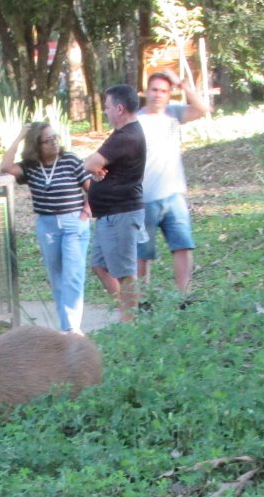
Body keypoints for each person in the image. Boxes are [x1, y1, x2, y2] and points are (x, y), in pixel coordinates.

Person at [1, 121, 91, 334]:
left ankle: (72, 328)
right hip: (47, 226)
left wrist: (85, 213)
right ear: (36, 145)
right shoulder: (31, 167)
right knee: (57, 277)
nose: (53, 143)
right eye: (47, 141)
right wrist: (19, 136)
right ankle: (66, 327)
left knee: (73, 275)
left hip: (73, 223)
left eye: (54, 138)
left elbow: (93, 189)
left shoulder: (70, 161)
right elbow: (5, 167)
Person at [137, 69, 209, 297]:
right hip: (144, 197)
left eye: (164, 91)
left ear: (169, 95)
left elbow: (202, 109)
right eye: (154, 90)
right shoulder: (135, 120)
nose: (158, 95)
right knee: (143, 252)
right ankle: (143, 299)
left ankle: (184, 295)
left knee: (183, 245)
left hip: (174, 194)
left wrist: (181, 84)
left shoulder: (173, 114)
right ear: (146, 92)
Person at [82, 84, 147, 322]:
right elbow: (95, 164)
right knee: (99, 266)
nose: (106, 112)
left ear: (119, 108)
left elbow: (89, 164)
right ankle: (128, 312)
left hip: (121, 212)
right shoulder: (122, 135)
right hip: (108, 214)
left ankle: (130, 322)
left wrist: (96, 168)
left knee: (125, 273)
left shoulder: (126, 136)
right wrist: (98, 169)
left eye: (108, 107)